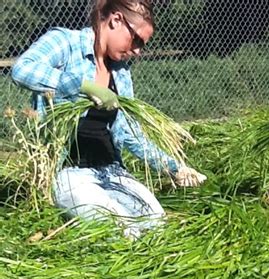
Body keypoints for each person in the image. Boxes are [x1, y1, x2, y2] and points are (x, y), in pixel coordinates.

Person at [11, 0, 206, 238]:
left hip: (112, 172)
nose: (137, 51)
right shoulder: (66, 42)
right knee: (121, 230)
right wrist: (82, 86)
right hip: (70, 172)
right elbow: (22, 69)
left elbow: (131, 134)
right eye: (137, 40)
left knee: (156, 225)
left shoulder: (121, 72)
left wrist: (175, 168)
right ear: (115, 21)